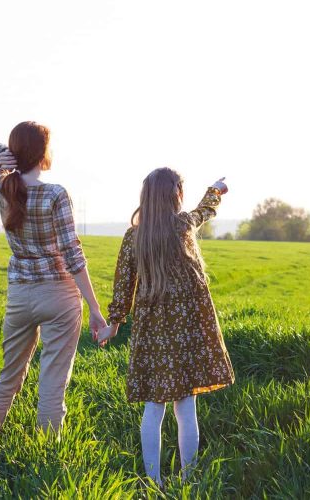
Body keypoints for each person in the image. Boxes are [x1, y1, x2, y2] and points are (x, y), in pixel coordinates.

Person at [97, 168, 235, 485]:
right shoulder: (183, 225)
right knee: (186, 407)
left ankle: (153, 481)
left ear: (146, 197)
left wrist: (113, 325)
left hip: (151, 331)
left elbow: (123, 285)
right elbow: (205, 210)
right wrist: (215, 190)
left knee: (153, 406)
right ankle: (189, 479)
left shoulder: (134, 237)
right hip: (186, 328)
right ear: (177, 195)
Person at [0, 121, 106, 433]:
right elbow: (72, 253)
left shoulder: (3, 188)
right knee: (53, 384)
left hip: (20, 295)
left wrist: (1, 154)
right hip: (59, 295)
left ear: (15, 152)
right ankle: (47, 452)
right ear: (43, 153)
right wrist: (94, 307)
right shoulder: (55, 194)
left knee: (8, 377)